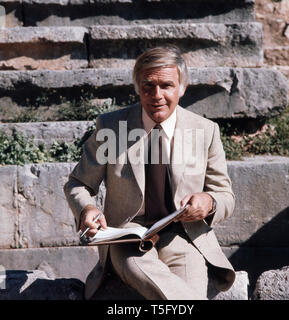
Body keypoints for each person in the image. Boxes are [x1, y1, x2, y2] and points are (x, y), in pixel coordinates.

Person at [64, 45, 236, 300]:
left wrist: (208, 203)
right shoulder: (111, 127)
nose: (157, 95)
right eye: (148, 86)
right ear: (137, 89)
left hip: (184, 234)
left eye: (166, 85)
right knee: (141, 268)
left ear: (182, 88)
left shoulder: (206, 130)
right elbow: (78, 183)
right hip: (127, 237)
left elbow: (225, 195)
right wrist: (87, 209)